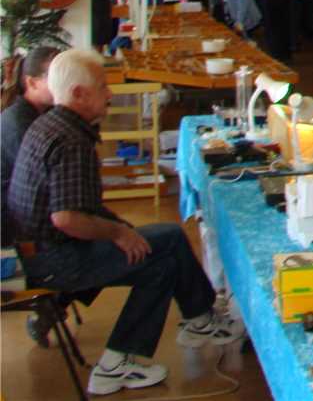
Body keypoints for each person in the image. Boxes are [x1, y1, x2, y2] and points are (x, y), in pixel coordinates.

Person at [8, 50, 239, 395]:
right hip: (56, 260)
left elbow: (79, 207)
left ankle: (183, 327)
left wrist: (122, 230)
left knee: (165, 249)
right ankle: (193, 322)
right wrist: (119, 232)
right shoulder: (71, 140)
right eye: (102, 87)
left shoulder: (50, 123)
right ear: (78, 94)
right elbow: (67, 218)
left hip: (38, 252)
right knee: (165, 250)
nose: (110, 94)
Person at [1, 46, 60, 241]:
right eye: (56, 77)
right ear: (32, 83)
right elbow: (44, 180)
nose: (65, 83)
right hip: (13, 223)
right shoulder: (19, 123)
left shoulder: (43, 113)